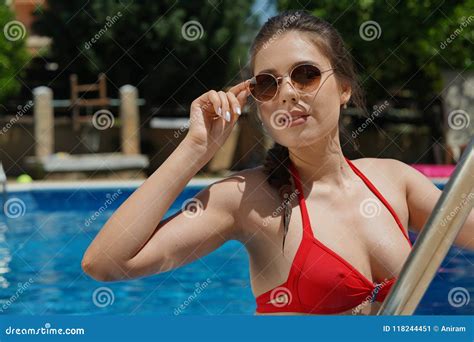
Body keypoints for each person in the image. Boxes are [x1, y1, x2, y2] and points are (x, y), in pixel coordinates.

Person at [82, 10, 474, 315]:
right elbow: (106, 264)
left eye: (305, 75)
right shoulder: (245, 199)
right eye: (267, 84)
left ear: (343, 88)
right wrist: (194, 150)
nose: (287, 93)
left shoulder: (395, 181)